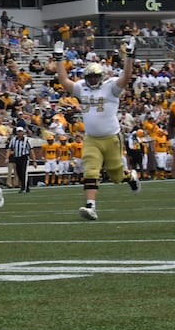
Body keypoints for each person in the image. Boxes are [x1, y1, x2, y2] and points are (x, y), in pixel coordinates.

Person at [48, 40, 140, 220]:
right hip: (91, 138)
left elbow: (126, 77)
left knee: (116, 175)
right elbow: (64, 81)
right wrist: (59, 59)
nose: (92, 80)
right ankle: (91, 206)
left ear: (102, 75)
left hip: (111, 137)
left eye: (95, 77)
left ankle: (130, 176)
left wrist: (129, 57)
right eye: (89, 77)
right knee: (90, 170)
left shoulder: (111, 86)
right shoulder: (82, 87)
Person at [8, 122, 33, 193]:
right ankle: (27, 187)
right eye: (18, 132)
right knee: (19, 173)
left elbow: (31, 150)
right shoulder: (13, 140)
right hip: (17, 157)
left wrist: (34, 160)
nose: (19, 133)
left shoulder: (26, 140)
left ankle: (23, 188)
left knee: (23, 172)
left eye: (20, 131)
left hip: (24, 157)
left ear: (23, 132)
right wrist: (7, 157)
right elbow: (10, 148)